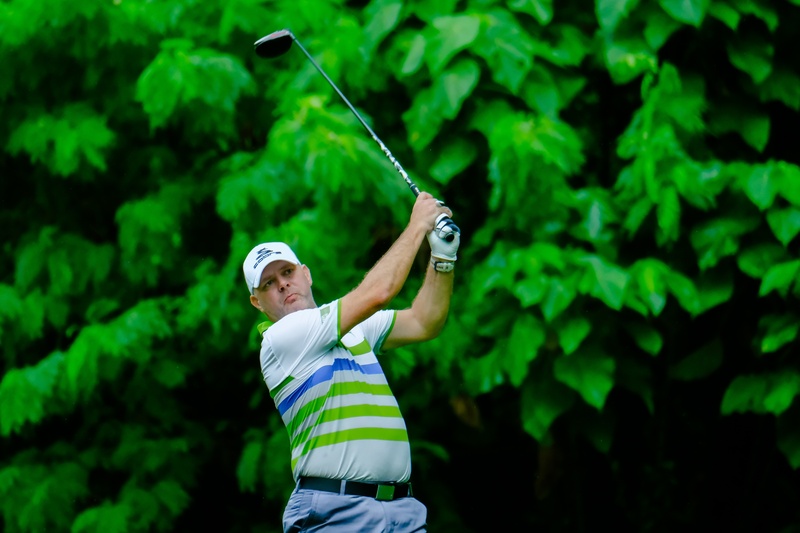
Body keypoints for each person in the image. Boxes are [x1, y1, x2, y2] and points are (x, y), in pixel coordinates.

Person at [242, 192, 460, 533]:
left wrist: (443, 258)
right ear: (257, 302)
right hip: (337, 512)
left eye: (287, 272)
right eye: (269, 283)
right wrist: (418, 224)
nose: (283, 284)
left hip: (402, 510)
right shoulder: (282, 338)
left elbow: (423, 321)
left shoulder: (352, 329)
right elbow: (378, 293)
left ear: (306, 274)